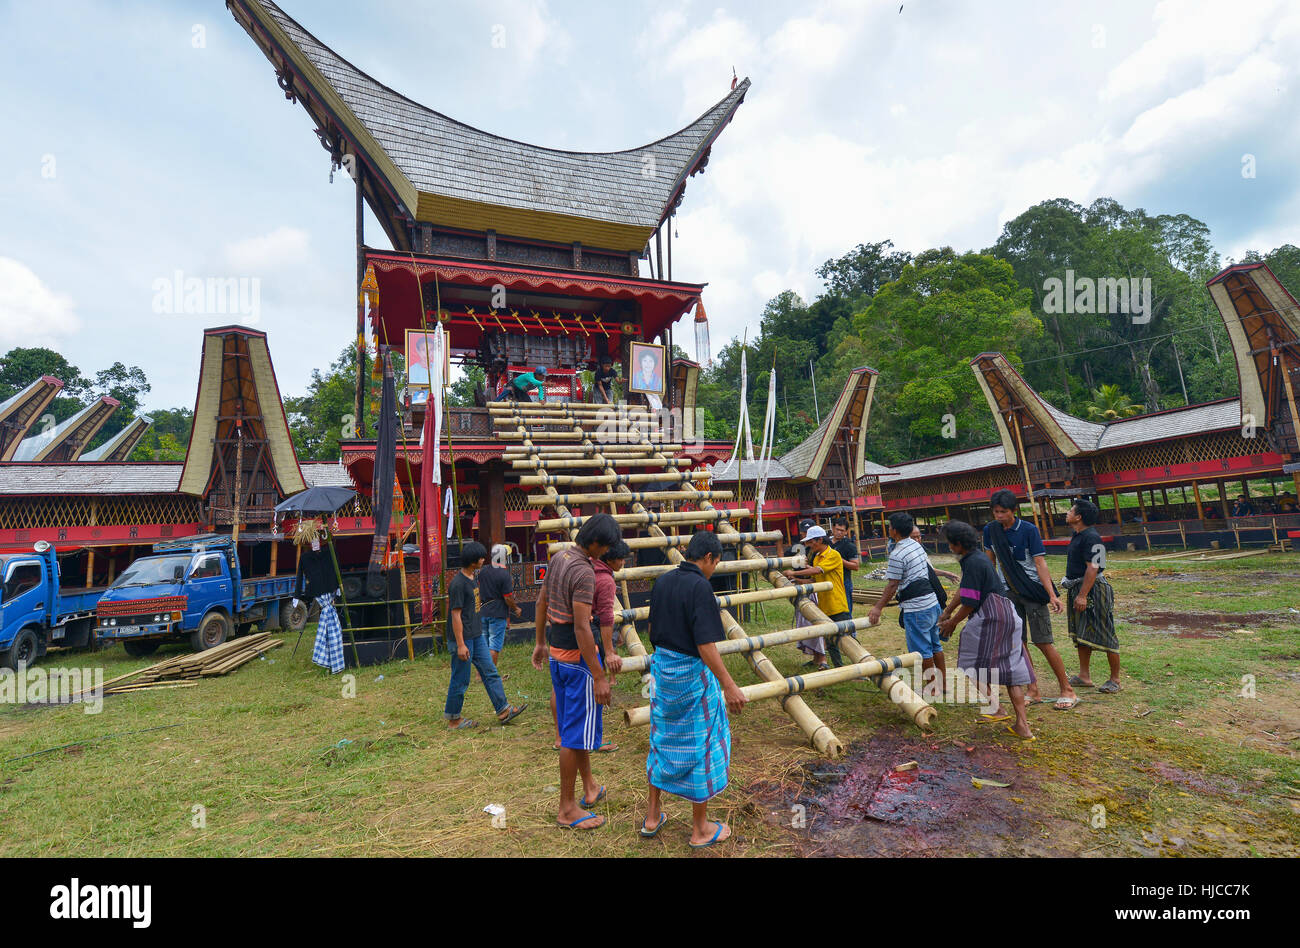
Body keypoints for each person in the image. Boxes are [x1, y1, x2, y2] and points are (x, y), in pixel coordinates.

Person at [643, 530, 747, 847]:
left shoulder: (662, 581)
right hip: (690, 675)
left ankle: (651, 815)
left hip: (662, 672)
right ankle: (700, 828)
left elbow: (651, 629)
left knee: (660, 739)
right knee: (702, 743)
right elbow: (705, 645)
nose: (714, 568)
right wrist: (729, 685)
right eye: (715, 562)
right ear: (708, 558)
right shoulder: (700, 586)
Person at [532, 513, 622, 830]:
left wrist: (541, 642)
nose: (605, 553)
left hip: (557, 654)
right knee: (572, 736)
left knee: (577, 729)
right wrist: (598, 675)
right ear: (596, 543)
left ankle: (589, 788)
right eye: (605, 547)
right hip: (577, 661)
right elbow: (583, 627)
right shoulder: (584, 571)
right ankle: (567, 809)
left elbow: (541, 601)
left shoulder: (559, 556)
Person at [937, 521, 1036, 740]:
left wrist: (952, 623)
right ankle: (1022, 726)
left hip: (992, 615)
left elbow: (970, 601)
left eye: (950, 544)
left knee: (969, 661)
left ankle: (995, 707)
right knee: (1010, 672)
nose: (950, 548)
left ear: (959, 543)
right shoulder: (977, 558)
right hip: (1008, 614)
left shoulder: (972, 562)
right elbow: (965, 590)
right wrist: (948, 611)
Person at [983, 490, 1077, 710]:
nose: (999, 516)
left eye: (1003, 512)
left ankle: (1067, 689)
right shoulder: (990, 531)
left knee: (1043, 641)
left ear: (1013, 511)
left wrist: (1052, 595)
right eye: (995, 512)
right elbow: (989, 561)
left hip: (1032, 591)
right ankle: (1032, 689)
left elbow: (1040, 564)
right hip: (1007, 593)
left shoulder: (1028, 530)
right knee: (1018, 644)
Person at [444, 541, 527, 730]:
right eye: (481, 557)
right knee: (461, 678)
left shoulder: (473, 577)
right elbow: (455, 615)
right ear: (473, 560)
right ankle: (454, 719)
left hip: (476, 635)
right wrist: (460, 645)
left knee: (490, 671)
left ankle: (503, 710)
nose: (484, 560)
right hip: (464, 639)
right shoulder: (458, 584)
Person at [868, 512, 945, 696]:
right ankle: (942, 684)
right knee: (936, 645)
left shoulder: (898, 553)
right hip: (932, 602)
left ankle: (933, 688)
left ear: (893, 530)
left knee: (923, 648)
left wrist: (878, 607)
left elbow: (893, 584)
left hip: (917, 607)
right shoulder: (916, 545)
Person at [1062, 500, 1121, 694]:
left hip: (1093, 590)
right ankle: (1084, 676)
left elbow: (1094, 567)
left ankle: (1115, 679)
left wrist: (1083, 595)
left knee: (1105, 630)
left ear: (1078, 517)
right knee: (1081, 633)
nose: (1067, 513)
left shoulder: (1093, 538)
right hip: (1080, 588)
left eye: (1071, 510)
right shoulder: (1077, 535)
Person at [784, 525, 852, 667]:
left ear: (820, 540)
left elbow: (817, 571)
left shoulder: (833, 554)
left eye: (810, 542)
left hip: (837, 604)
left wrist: (794, 573)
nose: (809, 545)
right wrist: (797, 581)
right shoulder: (817, 558)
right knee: (831, 641)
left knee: (847, 641)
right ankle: (840, 668)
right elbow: (814, 581)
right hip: (824, 605)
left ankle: (861, 670)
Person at [478, 544, 521, 669]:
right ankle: (490, 675)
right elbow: (507, 597)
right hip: (497, 614)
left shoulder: (483, 571)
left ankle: (479, 675)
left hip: (483, 611)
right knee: (494, 646)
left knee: (484, 644)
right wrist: (516, 608)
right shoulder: (504, 574)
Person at [830, 516, 862, 612]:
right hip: (828, 580)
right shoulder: (826, 544)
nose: (839, 532)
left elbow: (855, 566)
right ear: (832, 528)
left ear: (846, 531)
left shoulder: (849, 545)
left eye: (842, 530)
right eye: (837, 529)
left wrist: (839, 560)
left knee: (846, 610)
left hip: (843, 581)